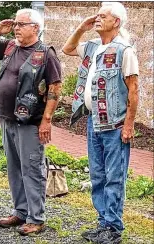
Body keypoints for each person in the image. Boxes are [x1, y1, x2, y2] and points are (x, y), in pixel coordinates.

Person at [62, 2, 139, 243]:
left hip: (115, 125)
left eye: (102, 16)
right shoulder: (93, 46)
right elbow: (67, 48)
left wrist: (128, 125)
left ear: (116, 21)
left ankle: (113, 228)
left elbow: (134, 90)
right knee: (97, 175)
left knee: (114, 176)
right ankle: (103, 222)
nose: (97, 18)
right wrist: (82, 27)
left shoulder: (124, 50)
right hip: (94, 121)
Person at [0, 8, 62, 236]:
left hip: (30, 121)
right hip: (7, 118)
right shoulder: (10, 46)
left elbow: (55, 88)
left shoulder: (46, 54)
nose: (16, 28)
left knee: (32, 169)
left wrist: (46, 121)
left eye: (21, 24)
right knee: (14, 168)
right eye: (15, 24)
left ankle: (36, 218)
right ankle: (20, 211)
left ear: (35, 28)